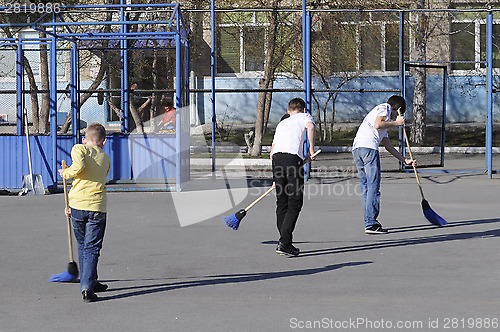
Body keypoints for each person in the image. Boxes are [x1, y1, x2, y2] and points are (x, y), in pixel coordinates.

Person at [59, 122, 111, 302]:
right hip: (97, 207)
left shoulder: (78, 148)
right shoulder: (105, 158)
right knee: (92, 248)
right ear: (103, 141)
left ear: (84, 139)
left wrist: (65, 173)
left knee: (83, 245)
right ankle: (88, 286)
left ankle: (90, 281)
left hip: (77, 206)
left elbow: (79, 166)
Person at [352, 95, 416, 235]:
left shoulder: (383, 117)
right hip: (368, 149)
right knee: (373, 186)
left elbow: (388, 146)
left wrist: (404, 159)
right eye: (398, 114)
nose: (394, 118)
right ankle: (371, 223)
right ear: (397, 109)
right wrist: (397, 123)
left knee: (366, 187)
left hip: (358, 149)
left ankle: (369, 221)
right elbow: (378, 124)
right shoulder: (384, 108)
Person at [270, 97, 315, 257]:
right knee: (295, 202)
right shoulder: (305, 116)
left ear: (289, 111)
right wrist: (311, 148)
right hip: (291, 158)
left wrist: (276, 176)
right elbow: (310, 127)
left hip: (277, 159)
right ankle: (284, 242)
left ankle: (285, 242)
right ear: (303, 109)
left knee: (281, 202)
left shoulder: (282, 123)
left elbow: (273, 150)